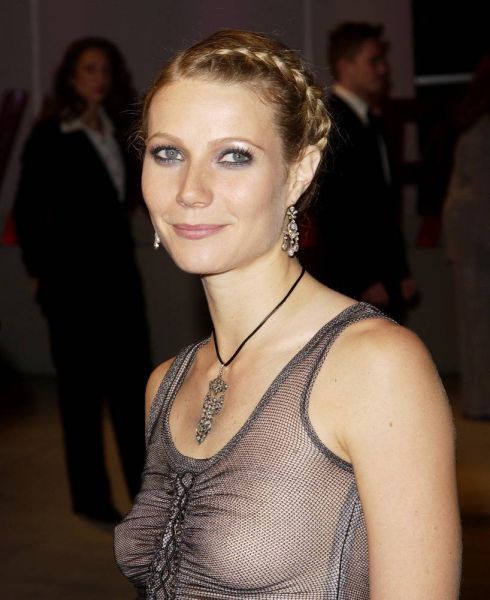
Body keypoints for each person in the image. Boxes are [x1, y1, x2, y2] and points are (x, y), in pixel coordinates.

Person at [114, 29, 461, 599]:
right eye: (168, 153)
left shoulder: (376, 367)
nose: (190, 190)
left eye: (233, 156)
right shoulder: (166, 384)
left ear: (299, 171)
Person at [13, 37, 151, 523]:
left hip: (120, 282)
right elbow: (27, 213)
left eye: (106, 70)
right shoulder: (51, 135)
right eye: (90, 69)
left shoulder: (115, 131)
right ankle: (91, 501)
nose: (100, 78)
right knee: (81, 399)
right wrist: (39, 274)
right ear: (71, 75)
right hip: (71, 287)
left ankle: (145, 499)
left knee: (132, 394)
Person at [306, 22, 417, 321]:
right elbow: (335, 209)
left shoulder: (370, 119)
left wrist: (400, 270)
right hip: (354, 281)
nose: (383, 69)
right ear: (346, 66)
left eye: (383, 60)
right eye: (374, 61)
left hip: (381, 277)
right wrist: (364, 278)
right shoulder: (332, 123)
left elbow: (383, 206)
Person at [443, 53, 490, 418]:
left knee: (477, 326)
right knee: (477, 327)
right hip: (475, 241)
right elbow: (480, 198)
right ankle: (479, 405)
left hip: (472, 237)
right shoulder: (482, 129)